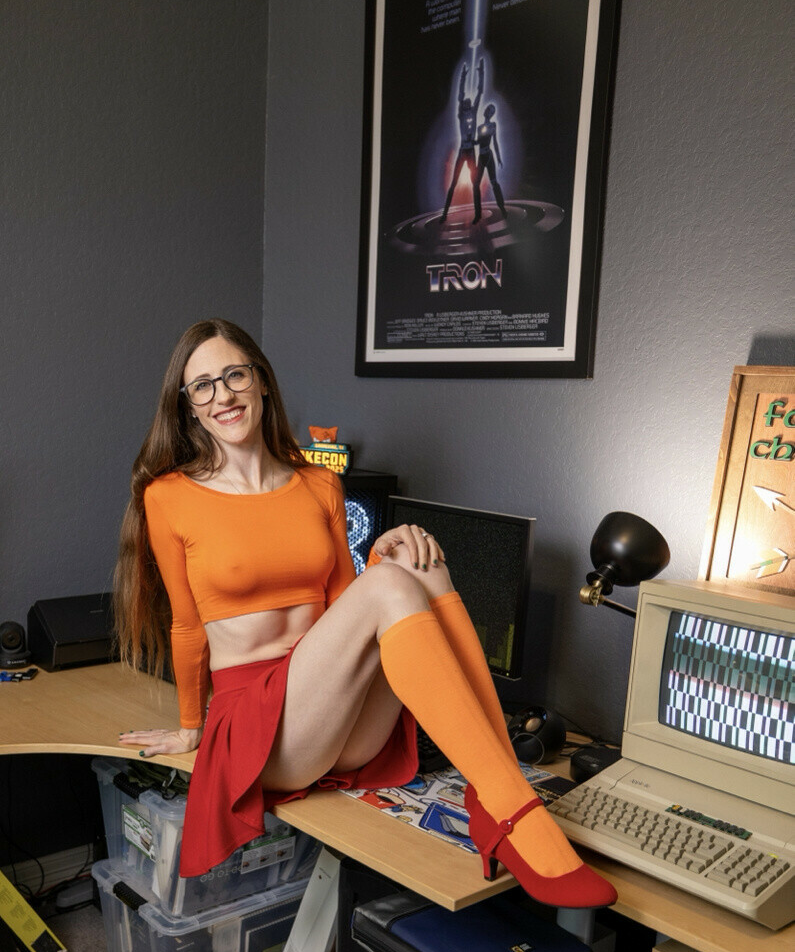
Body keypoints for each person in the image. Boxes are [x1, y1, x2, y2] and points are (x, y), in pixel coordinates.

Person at [114, 319, 616, 909]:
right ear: (189, 405)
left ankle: (496, 791)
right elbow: (186, 625)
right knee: (392, 579)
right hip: (265, 736)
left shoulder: (319, 484)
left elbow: (346, 609)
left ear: (262, 381)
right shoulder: (169, 496)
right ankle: (512, 810)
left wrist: (384, 555)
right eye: (203, 386)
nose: (223, 395)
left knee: (419, 560)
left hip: (337, 721)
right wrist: (190, 727)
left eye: (235, 376)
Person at [440, 60, 484, 225]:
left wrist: (481, 73)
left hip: (470, 150)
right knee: (454, 183)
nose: (467, 103)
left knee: (475, 184)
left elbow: (479, 93)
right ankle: (445, 213)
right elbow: (459, 96)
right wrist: (463, 77)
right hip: (463, 150)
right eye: (466, 103)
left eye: (468, 103)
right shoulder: (462, 115)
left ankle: (478, 214)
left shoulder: (472, 112)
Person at [473, 102, 507, 224]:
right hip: (481, 157)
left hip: (488, 156)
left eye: (490, 110)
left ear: (491, 114)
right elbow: (478, 142)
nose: (487, 111)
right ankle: (478, 214)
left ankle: (502, 208)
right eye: (488, 109)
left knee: (494, 182)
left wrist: (498, 158)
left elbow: (495, 142)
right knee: (476, 184)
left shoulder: (493, 125)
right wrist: (470, 141)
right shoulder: (479, 127)